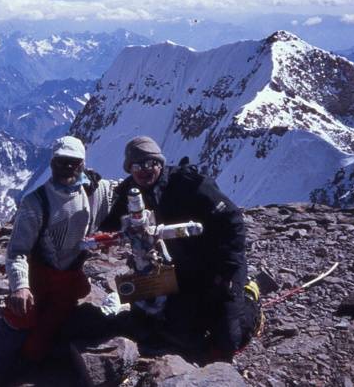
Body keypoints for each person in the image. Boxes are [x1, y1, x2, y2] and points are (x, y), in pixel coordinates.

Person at [0, 136, 117, 386]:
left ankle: (23, 354)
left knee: (36, 348)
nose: (67, 168)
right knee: (21, 315)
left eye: (74, 163)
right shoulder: (35, 202)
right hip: (39, 275)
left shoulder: (95, 190)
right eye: (62, 162)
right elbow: (17, 251)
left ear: (83, 164)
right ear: (52, 163)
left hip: (69, 277)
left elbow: (126, 190)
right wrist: (20, 286)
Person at [101, 136, 259, 363]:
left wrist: (230, 271)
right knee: (161, 328)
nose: (145, 170)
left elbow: (232, 220)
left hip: (217, 266)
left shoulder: (190, 184)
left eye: (150, 163)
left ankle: (250, 297)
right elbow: (109, 223)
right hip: (180, 269)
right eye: (137, 166)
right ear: (130, 169)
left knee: (227, 341)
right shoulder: (131, 193)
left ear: (160, 163)